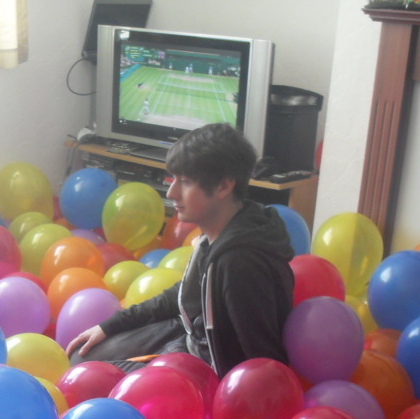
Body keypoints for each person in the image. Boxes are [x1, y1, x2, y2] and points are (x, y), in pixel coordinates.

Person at [66, 123, 294, 377]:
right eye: (172, 179)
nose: (172, 192)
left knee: (87, 374)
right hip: (186, 336)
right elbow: (184, 296)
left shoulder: (239, 262)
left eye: (184, 182)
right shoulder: (215, 234)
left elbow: (263, 361)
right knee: (81, 357)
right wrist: (109, 326)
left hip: (206, 370)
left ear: (223, 187)